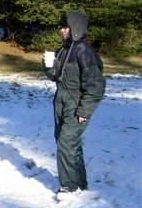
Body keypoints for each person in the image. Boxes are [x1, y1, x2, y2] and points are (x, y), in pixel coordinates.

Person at [43, 11, 105, 195]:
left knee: (66, 143)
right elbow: (57, 77)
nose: (62, 30)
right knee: (69, 143)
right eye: (62, 27)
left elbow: (96, 86)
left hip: (76, 103)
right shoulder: (64, 49)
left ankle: (68, 187)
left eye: (65, 27)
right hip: (61, 101)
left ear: (75, 28)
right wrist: (48, 66)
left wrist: (84, 111)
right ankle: (80, 183)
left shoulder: (85, 52)